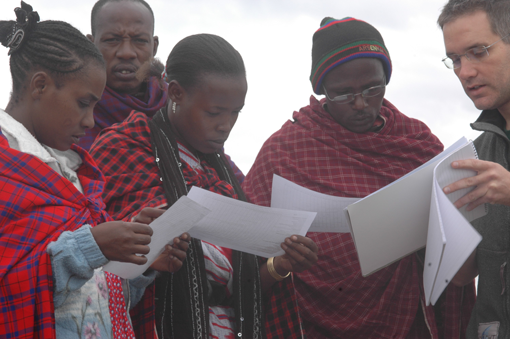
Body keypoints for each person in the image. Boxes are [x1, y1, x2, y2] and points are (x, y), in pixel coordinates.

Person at [242, 17, 476, 338]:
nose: (360, 104)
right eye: (342, 94)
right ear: (321, 89)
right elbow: (246, 253)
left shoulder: (416, 144)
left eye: (373, 88)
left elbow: (454, 235)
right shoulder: (286, 150)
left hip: (408, 319)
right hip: (309, 323)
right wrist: (283, 259)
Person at [89, 33, 319, 339]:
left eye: (236, 112)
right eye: (214, 112)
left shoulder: (228, 177)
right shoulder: (122, 148)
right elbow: (96, 268)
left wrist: (281, 264)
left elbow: (235, 291)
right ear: (176, 93)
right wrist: (148, 247)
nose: (226, 124)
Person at [0, 2, 188, 338]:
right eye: (84, 103)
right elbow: (10, 285)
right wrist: (91, 246)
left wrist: (139, 259)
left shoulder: (75, 175)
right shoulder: (7, 163)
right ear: (40, 86)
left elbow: (94, 297)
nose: (90, 122)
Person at [82, 0, 245, 183]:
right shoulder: (72, 112)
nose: (126, 53)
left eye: (139, 41)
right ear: (91, 45)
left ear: (154, 46)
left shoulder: (183, 110)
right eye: (112, 40)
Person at [438, 1, 510, 338]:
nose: (464, 72)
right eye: (454, 59)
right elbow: (465, 274)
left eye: (478, 51)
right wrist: (441, 224)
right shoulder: (478, 152)